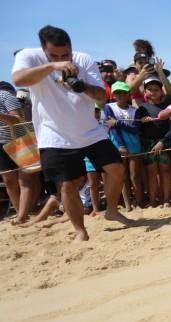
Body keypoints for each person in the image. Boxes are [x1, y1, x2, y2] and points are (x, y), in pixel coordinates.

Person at [11, 25, 131, 241]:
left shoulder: (83, 59)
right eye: (54, 54)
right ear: (43, 49)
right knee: (68, 185)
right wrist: (53, 65)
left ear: (71, 47)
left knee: (117, 169)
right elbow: (19, 80)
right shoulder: (29, 56)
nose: (62, 58)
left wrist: (81, 86)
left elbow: (101, 97)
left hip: (90, 130)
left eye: (65, 54)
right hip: (54, 134)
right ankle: (80, 231)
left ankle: (112, 210)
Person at [0, 81, 38, 225]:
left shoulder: (5, 95)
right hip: (1, 145)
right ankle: (20, 213)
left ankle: (22, 215)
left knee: (25, 180)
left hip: (18, 141)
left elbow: (17, 119)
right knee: (9, 181)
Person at [136, 76, 171, 207]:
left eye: (156, 89)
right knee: (151, 172)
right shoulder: (141, 108)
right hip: (148, 143)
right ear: (145, 92)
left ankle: (166, 200)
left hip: (164, 142)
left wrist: (162, 142)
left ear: (161, 91)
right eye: (150, 89)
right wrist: (141, 122)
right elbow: (137, 128)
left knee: (166, 171)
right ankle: (153, 201)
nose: (153, 92)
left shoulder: (167, 107)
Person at [104, 81, 143, 209]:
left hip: (134, 145)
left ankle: (138, 202)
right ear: (113, 95)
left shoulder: (135, 110)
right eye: (117, 93)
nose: (120, 95)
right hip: (118, 146)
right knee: (123, 176)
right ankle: (127, 204)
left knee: (135, 175)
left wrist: (118, 123)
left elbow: (136, 129)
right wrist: (121, 145)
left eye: (123, 92)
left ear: (128, 95)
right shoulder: (109, 107)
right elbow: (112, 128)